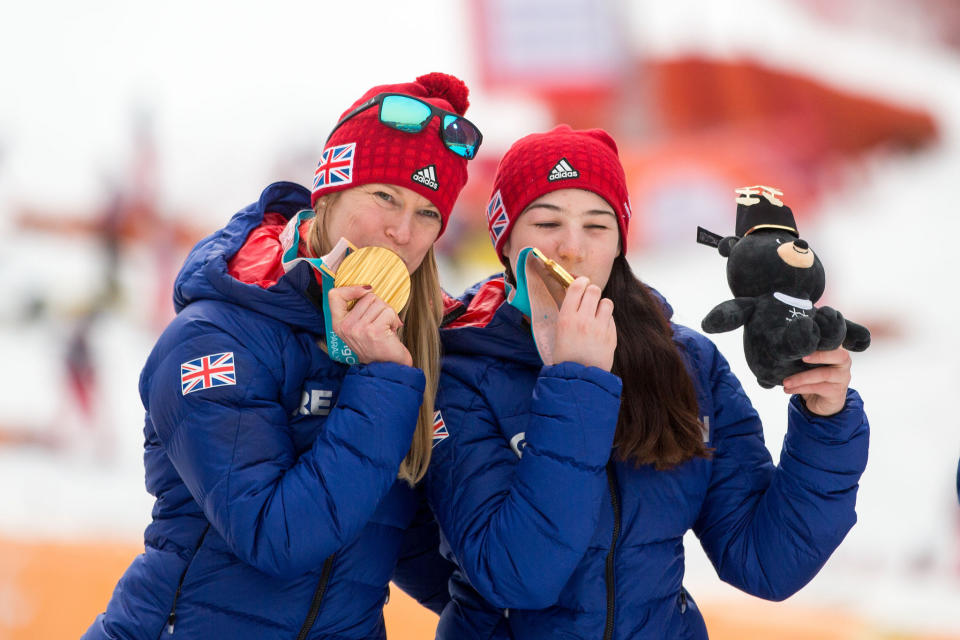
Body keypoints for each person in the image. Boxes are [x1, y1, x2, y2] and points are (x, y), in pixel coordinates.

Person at [83, 72, 484, 640]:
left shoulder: (413, 340)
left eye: (428, 214)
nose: (402, 231)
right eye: (386, 197)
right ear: (330, 193)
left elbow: (410, 541)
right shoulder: (217, 335)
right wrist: (383, 382)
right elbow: (277, 537)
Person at [428, 125, 869, 639]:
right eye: (547, 222)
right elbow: (517, 577)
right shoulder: (461, 369)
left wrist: (825, 424)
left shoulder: (686, 362)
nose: (572, 248)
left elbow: (765, 562)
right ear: (505, 242)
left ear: (619, 243)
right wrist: (577, 382)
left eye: (597, 226)